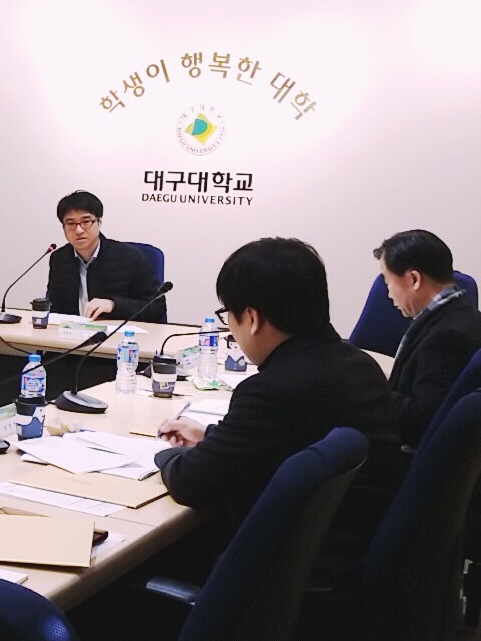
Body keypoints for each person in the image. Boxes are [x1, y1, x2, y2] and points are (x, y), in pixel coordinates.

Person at [155, 238, 401, 574]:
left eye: (228, 316)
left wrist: (164, 455)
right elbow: (289, 439)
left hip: (291, 569)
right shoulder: (360, 365)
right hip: (353, 552)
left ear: (252, 318)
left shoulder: (271, 391)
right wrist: (211, 437)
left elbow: (192, 482)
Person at [373, 229, 481, 447]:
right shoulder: (466, 316)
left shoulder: (445, 339)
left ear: (414, 279)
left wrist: (371, 390)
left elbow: (419, 421)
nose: (388, 294)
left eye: (388, 282)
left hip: (403, 452)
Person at [44, 190, 166, 321]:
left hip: (116, 331)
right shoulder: (59, 259)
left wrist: (113, 305)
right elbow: (55, 306)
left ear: (99, 222)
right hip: (71, 331)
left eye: (86, 221)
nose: (78, 230)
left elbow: (157, 307)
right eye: (71, 223)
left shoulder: (130, 257)